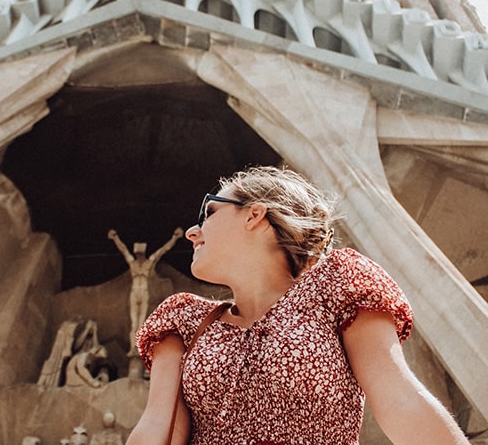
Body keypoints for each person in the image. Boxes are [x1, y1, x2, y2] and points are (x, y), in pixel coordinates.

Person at [126, 166, 471, 445]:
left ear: (255, 215)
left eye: (210, 212)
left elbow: (402, 401)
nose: (192, 231)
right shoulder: (183, 320)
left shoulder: (337, 287)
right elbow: (158, 428)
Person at [108, 227, 184, 356]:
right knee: (134, 323)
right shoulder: (132, 262)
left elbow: (163, 250)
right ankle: (133, 347)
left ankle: (138, 347)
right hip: (135, 292)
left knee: (141, 322)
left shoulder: (149, 262)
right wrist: (115, 238)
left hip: (143, 292)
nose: (138, 253)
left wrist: (174, 238)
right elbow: (123, 249)